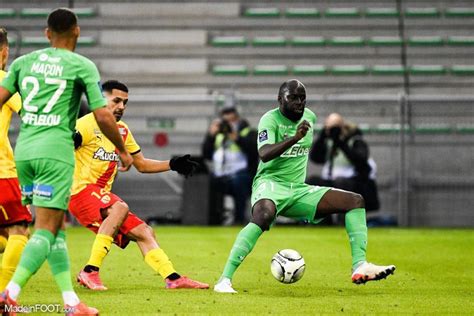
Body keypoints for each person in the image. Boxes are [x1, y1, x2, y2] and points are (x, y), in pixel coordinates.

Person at [0, 8, 133, 315]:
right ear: (77, 31)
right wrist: (123, 150)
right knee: (44, 230)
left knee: (55, 229)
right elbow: (101, 114)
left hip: (23, 153)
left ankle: (72, 303)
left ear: (47, 34)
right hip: (54, 153)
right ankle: (9, 293)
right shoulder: (81, 65)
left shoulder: (22, 63)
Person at [213, 79, 395, 293]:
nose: (299, 102)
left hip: (298, 190)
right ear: (280, 99)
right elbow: (264, 153)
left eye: (302, 98)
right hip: (270, 184)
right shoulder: (269, 120)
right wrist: (294, 138)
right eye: (293, 98)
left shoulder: (310, 117)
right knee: (263, 216)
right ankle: (224, 280)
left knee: (355, 201)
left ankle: (359, 265)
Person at [69, 80, 209, 291]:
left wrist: (172, 164)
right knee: (120, 207)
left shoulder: (122, 131)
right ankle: (90, 271)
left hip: (101, 196)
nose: (121, 107)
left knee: (145, 232)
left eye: (125, 102)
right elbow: (62, 148)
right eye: (116, 101)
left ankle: (172, 278)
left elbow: (141, 164)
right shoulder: (85, 125)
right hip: (80, 192)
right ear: (100, 98)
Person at [0, 28, 32, 291]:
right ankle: (2, 298)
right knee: (19, 230)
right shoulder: (5, 80)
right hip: (2, 172)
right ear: (4, 51)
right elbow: (30, 115)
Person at [308, 113, 380, 215]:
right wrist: (322, 136)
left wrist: (340, 142)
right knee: (312, 181)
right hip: (332, 181)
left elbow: (360, 160)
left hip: (354, 183)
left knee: (341, 183)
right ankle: (320, 218)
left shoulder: (355, 141)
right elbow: (315, 158)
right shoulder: (328, 143)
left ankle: (343, 219)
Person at [202, 105, 257, 225]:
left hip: (244, 175)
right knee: (206, 181)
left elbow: (254, 151)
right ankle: (212, 219)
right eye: (225, 122)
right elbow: (206, 154)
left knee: (239, 182)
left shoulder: (248, 132)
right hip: (221, 174)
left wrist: (237, 138)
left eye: (231, 121)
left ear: (237, 120)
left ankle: (239, 219)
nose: (228, 125)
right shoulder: (218, 136)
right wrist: (210, 136)